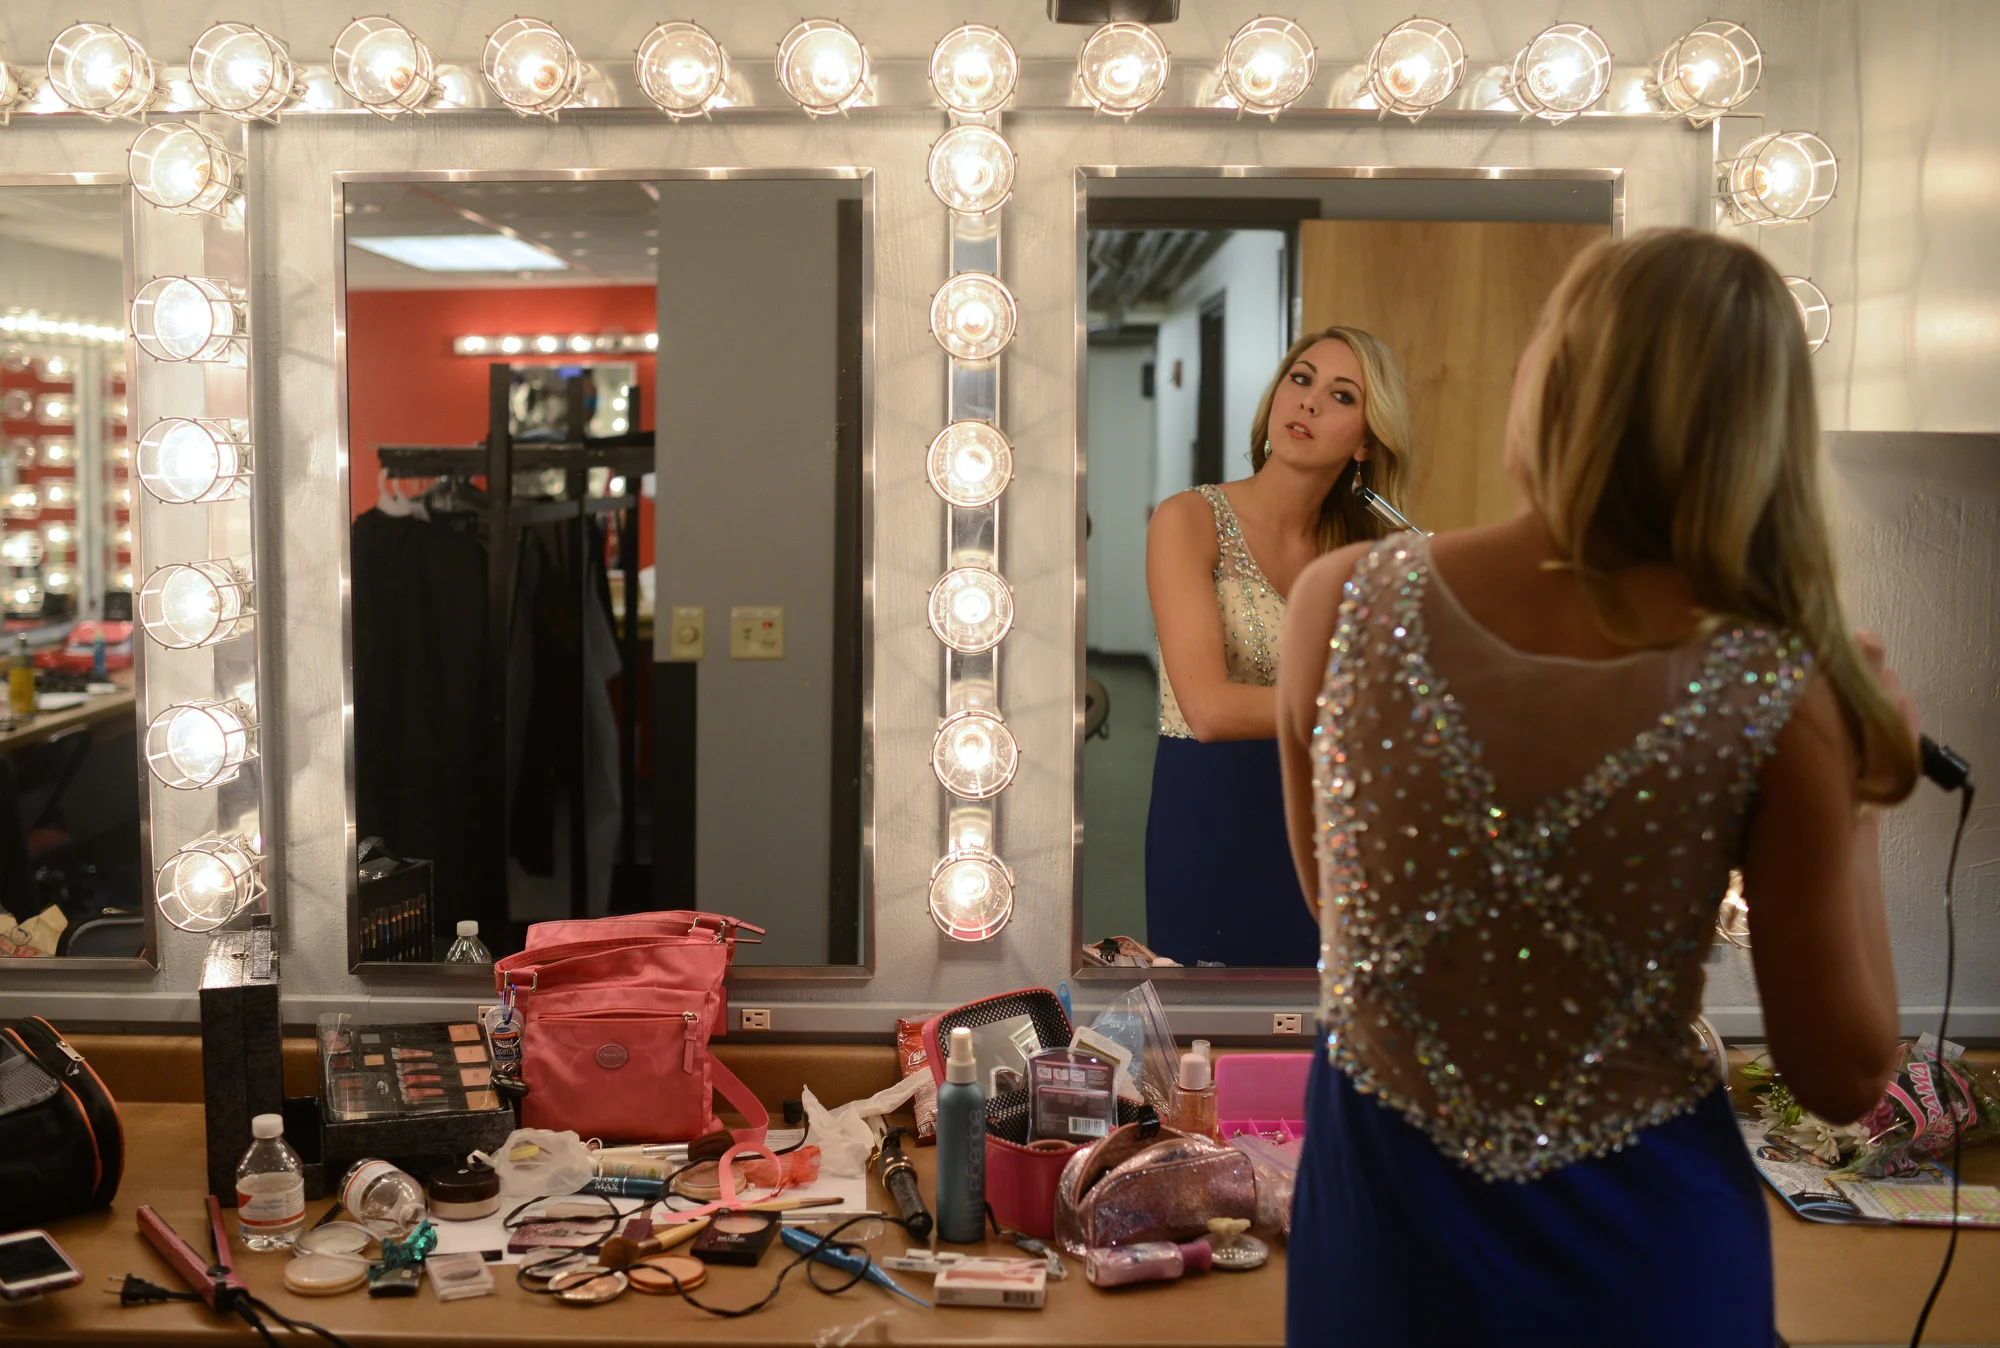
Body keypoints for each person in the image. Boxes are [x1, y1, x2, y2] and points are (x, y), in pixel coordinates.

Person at [1274, 229, 1917, 1345]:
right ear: (1755, 429)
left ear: (1553, 378)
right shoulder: (1775, 686)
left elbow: (1350, 924)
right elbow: (1842, 1073)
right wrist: (1857, 788)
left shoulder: (1336, 606)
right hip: (1648, 1256)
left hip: (1384, 1248)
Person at [1145, 326, 1412, 968]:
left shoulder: (1371, 557)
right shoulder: (1187, 519)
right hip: (1209, 816)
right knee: (1203, 1049)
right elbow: (1206, 710)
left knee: (1318, 1036)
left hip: (1333, 831)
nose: (1310, 403)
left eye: (1342, 396)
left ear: (1367, 442)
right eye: (1301, 379)